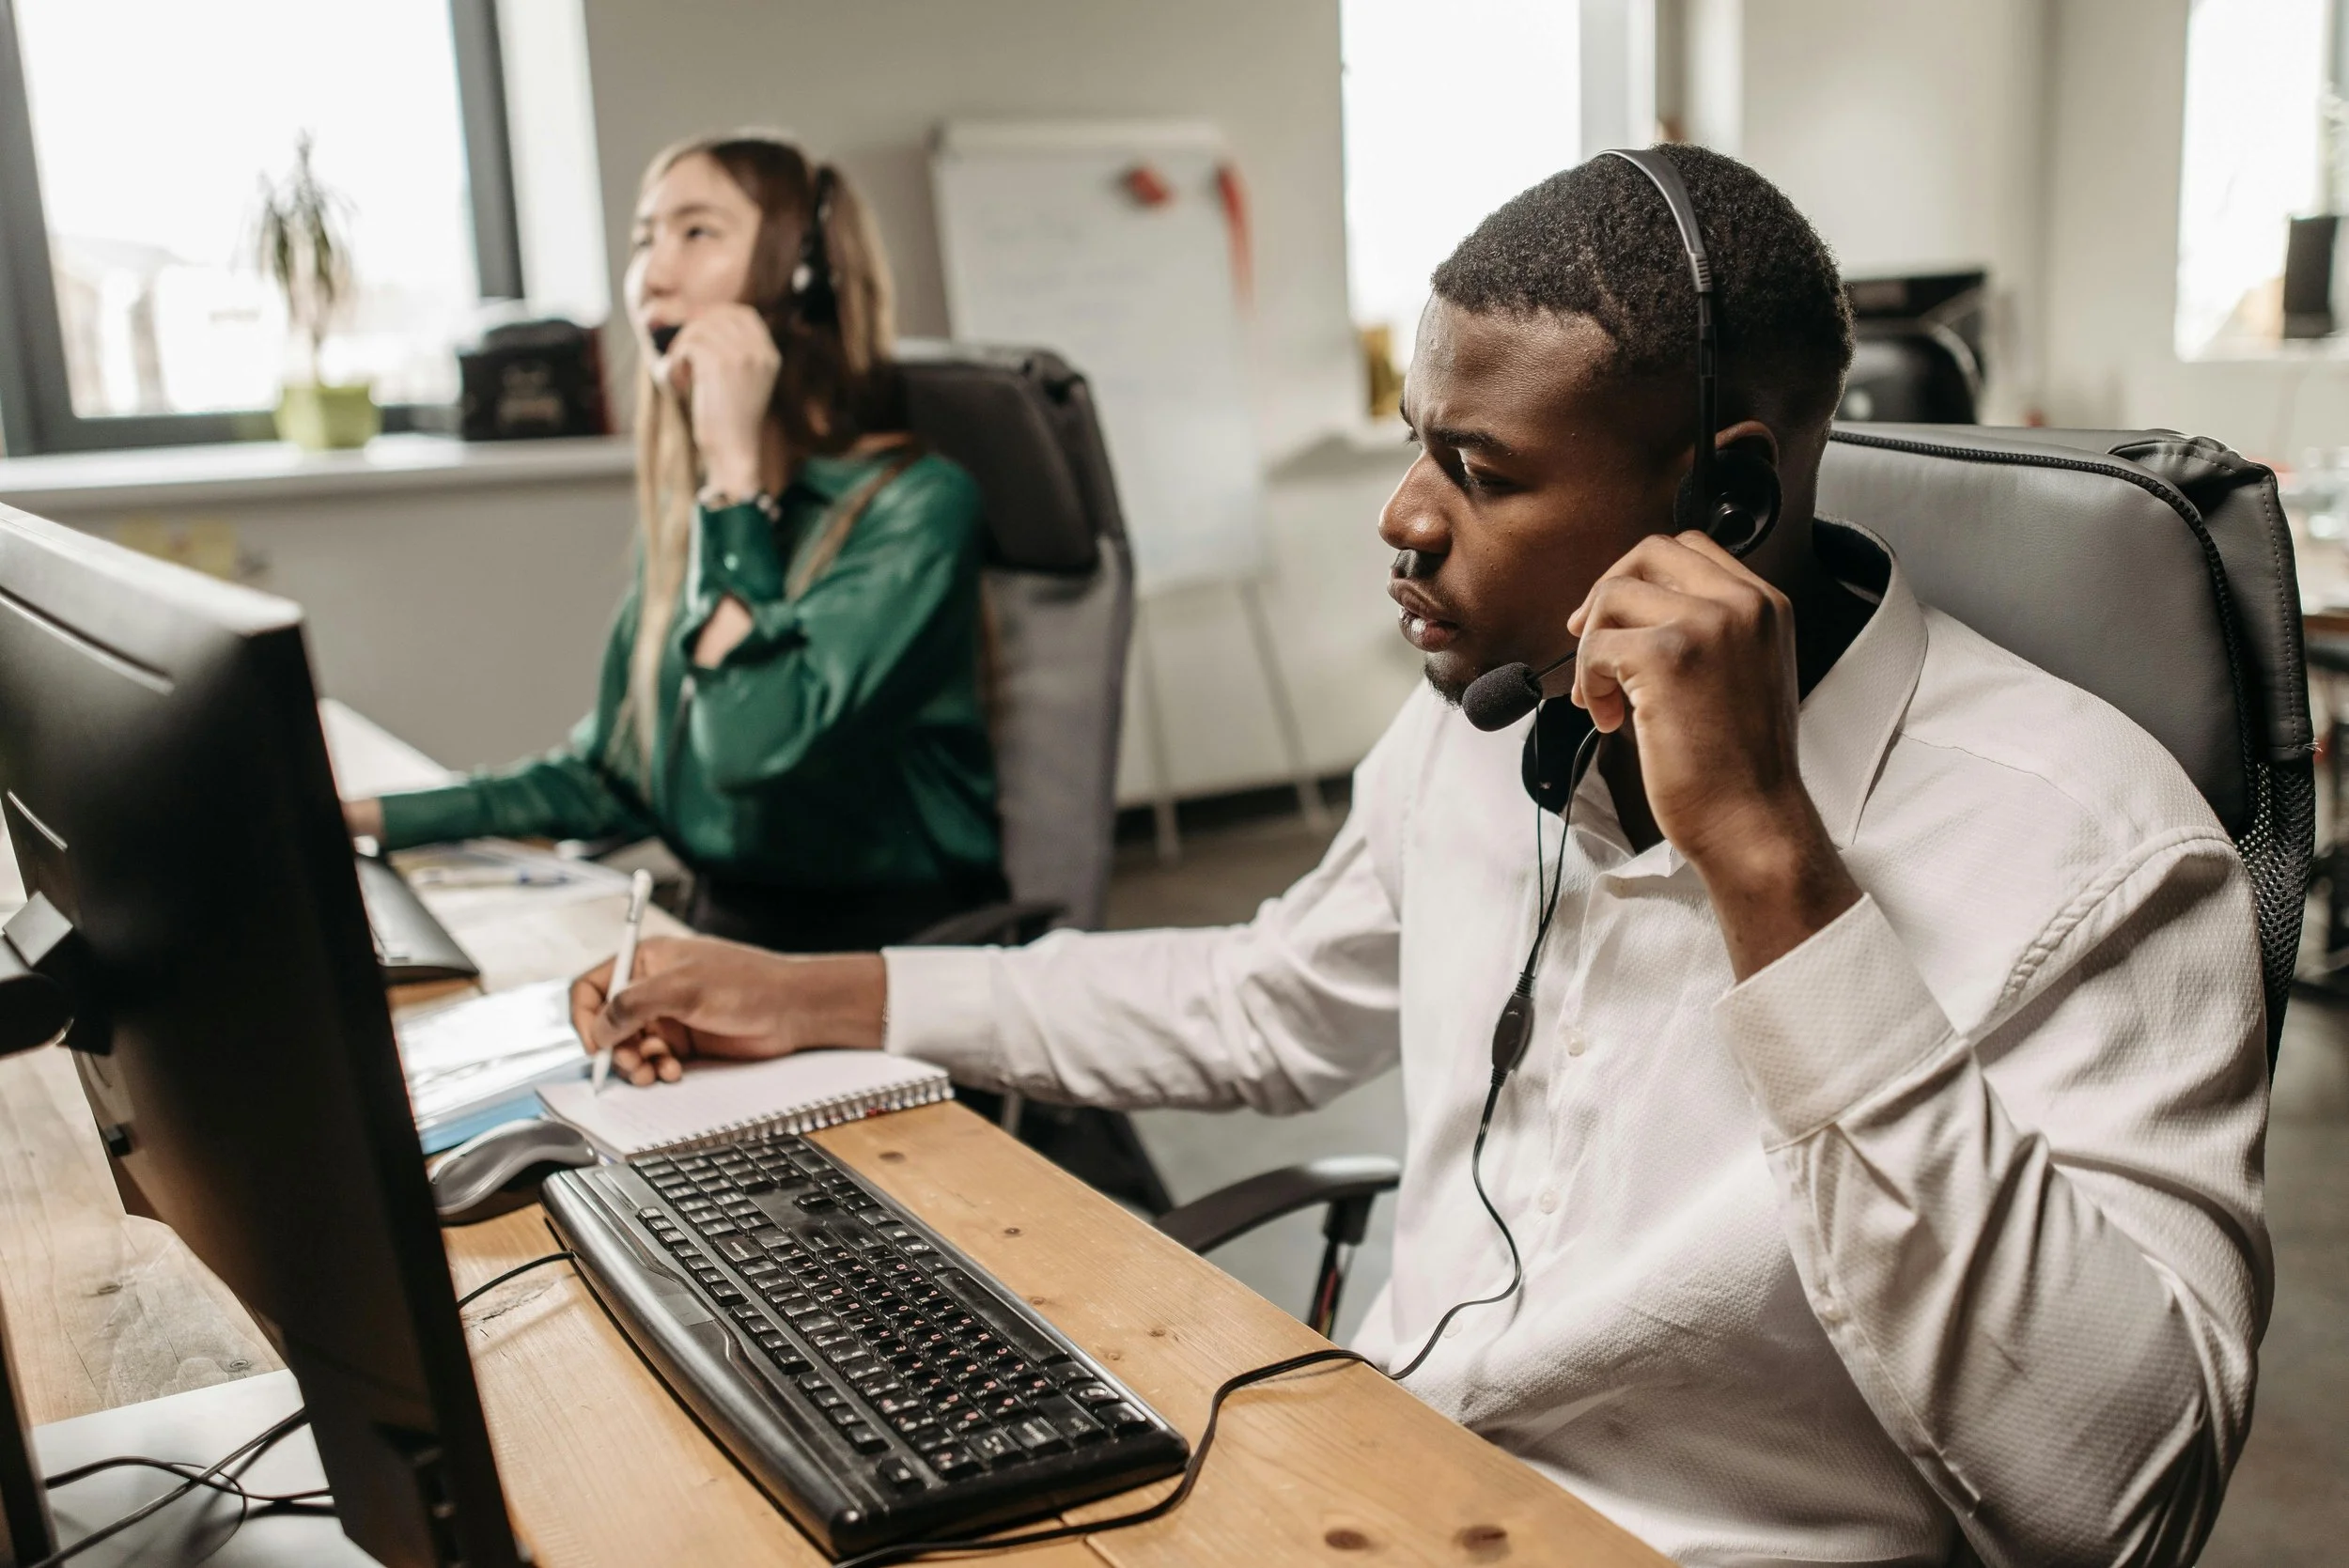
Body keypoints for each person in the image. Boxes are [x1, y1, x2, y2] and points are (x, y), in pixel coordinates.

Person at [568, 147, 2268, 1567]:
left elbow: (2125, 1498)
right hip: (1380, 1493)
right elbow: (1258, 1003)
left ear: (1730, 507)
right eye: (1412, 438)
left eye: (1480, 468)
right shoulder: (1493, 726)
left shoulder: (2096, 849)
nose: (1403, 515)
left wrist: (1774, 871)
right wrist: (818, 992)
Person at [348, 133, 1003, 952]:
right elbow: (609, 776)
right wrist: (363, 815)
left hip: (888, 952)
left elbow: (749, 750)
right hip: (730, 938)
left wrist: (733, 475)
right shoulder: (697, 517)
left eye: (697, 233)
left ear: (804, 280)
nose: (654, 275)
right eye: (645, 238)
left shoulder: (914, 509)